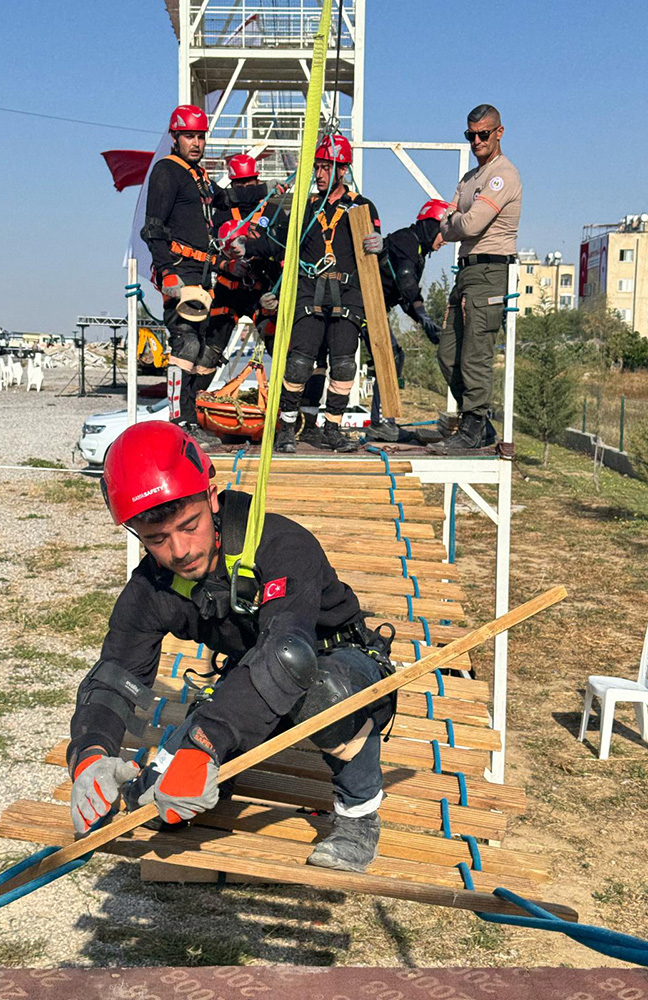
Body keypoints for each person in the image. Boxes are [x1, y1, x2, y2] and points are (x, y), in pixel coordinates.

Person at [67, 422, 395, 873]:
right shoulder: (153, 586)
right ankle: (216, 765)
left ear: (212, 496)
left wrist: (205, 744)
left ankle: (359, 815)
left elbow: (289, 652)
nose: (180, 551)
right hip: (253, 683)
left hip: (337, 666)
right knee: (156, 801)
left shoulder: (281, 545)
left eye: (189, 526)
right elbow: (115, 674)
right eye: (156, 540)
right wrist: (91, 753)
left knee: (318, 688)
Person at [140, 105, 250, 439]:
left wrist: (269, 191)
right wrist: (166, 272)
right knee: (185, 342)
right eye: (190, 136)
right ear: (175, 137)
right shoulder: (167, 172)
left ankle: (192, 416)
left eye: (201, 136)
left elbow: (227, 198)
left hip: (203, 271)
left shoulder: (200, 178)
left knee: (202, 350)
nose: (197, 143)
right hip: (178, 268)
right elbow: (153, 228)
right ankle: (179, 420)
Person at [274, 134, 382, 453]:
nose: (319, 174)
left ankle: (332, 427)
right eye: (317, 167)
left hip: (347, 293)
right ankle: (288, 426)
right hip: (310, 290)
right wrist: (246, 246)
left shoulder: (361, 207)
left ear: (343, 170)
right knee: (298, 363)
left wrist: (380, 243)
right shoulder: (304, 207)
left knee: (344, 365)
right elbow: (276, 242)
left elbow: (376, 252)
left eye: (326, 167)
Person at [429, 104, 522, 453]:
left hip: (490, 271)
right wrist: (453, 222)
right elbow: (448, 219)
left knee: (475, 354)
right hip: (467, 271)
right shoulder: (470, 179)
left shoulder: (503, 175)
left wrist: (453, 223)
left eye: (484, 134)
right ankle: (478, 424)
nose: (477, 141)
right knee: (448, 353)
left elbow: (466, 224)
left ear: (499, 132)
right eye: (471, 135)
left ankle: (472, 427)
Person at [198, 154, 285, 395]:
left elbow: (282, 249)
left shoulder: (275, 212)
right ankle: (191, 407)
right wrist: (227, 265)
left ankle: (286, 408)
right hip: (229, 291)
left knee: (278, 347)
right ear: (232, 185)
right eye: (240, 184)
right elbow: (207, 253)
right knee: (210, 350)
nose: (246, 189)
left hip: (263, 290)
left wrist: (252, 247)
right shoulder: (221, 215)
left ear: (257, 181)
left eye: (250, 183)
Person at [366, 199, 448, 442]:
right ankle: (381, 422)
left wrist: (423, 321)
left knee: (395, 356)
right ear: (432, 227)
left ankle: (384, 420)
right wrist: (422, 314)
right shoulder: (406, 240)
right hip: (365, 304)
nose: (445, 241)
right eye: (444, 233)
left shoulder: (418, 252)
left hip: (376, 306)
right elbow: (405, 280)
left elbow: (405, 298)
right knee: (389, 355)